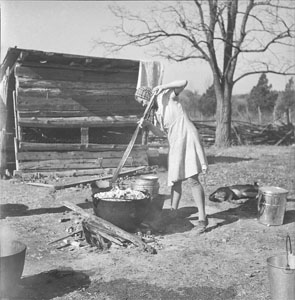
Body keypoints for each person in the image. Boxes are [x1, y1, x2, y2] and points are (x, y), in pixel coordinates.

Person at [135, 80, 209, 233]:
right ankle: (173, 212)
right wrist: (148, 125)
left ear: (147, 96)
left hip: (187, 136)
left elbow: (184, 82)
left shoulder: (167, 97)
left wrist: (163, 87)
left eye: (142, 101)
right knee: (175, 179)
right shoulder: (155, 113)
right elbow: (162, 133)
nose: (142, 105)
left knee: (193, 179)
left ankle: (202, 218)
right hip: (175, 141)